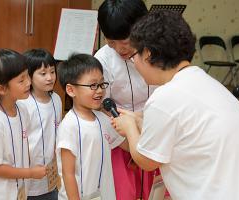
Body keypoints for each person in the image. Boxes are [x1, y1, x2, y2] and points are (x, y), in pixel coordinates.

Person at [112, 10, 239, 200]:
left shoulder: (165, 97)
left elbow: (147, 161)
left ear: (147, 54)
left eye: (134, 56)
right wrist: (140, 119)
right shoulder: (205, 81)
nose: (134, 63)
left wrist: (129, 128)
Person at [94, 0, 156, 199]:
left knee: (156, 190)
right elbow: (100, 106)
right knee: (123, 192)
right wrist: (129, 143)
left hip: (156, 130)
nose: (119, 49)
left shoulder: (159, 53)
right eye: (111, 42)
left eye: (124, 42)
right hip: (118, 136)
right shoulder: (103, 59)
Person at [0, 49, 47, 200]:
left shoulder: (22, 109)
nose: (28, 82)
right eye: (21, 80)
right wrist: (31, 173)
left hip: (17, 188)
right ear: (1, 88)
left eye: (27, 75)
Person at [56, 54, 128, 200]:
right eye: (93, 85)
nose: (100, 90)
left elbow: (126, 144)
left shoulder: (103, 119)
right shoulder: (70, 125)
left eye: (102, 84)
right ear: (71, 90)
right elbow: (68, 173)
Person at [20, 48, 62, 200]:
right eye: (43, 74)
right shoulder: (23, 104)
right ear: (28, 76)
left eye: (52, 71)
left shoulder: (56, 99)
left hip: (50, 174)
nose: (50, 77)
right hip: (28, 173)